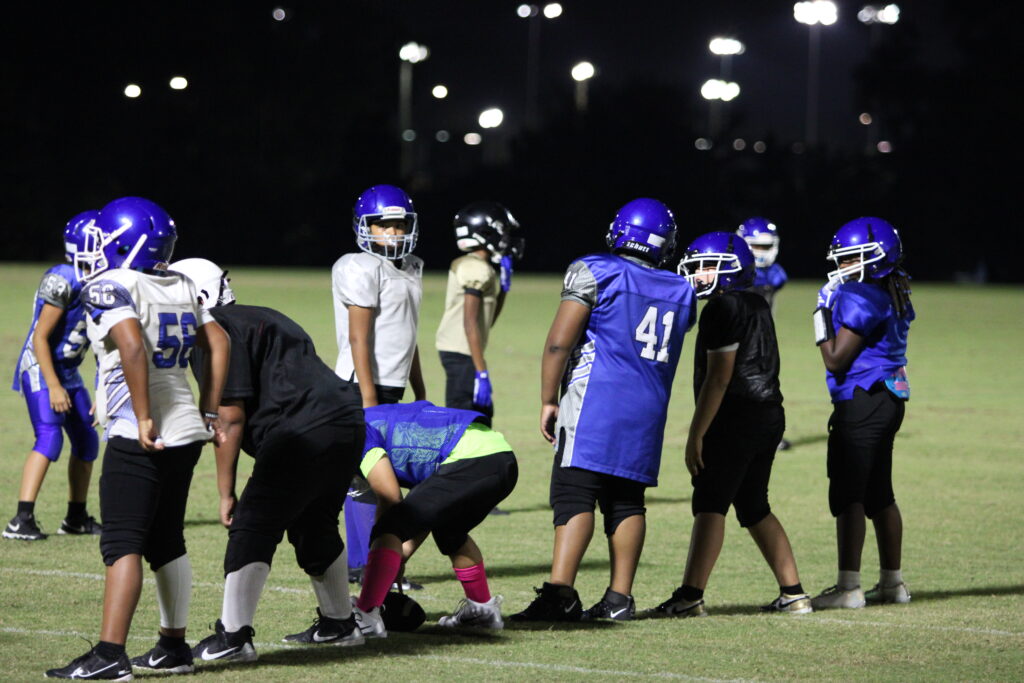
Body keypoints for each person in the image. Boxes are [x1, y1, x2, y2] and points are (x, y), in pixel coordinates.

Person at [45, 197, 230, 680]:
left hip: (141, 429)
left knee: (122, 542)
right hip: (186, 427)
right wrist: (209, 407)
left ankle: (110, 655)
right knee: (167, 538)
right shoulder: (180, 281)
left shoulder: (110, 285)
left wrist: (143, 415)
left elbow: (130, 344)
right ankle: (173, 646)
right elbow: (219, 342)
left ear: (122, 242)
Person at [171, 258, 367, 665]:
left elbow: (230, 416)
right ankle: (340, 623)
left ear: (197, 297)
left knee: (253, 525)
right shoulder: (266, 315)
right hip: (348, 421)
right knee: (314, 522)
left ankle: (233, 636)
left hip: (301, 431)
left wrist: (225, 491)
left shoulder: (213, 330)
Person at [512, 198, 696, 623]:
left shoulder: (598, 270)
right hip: (648, 410)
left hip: (595, 402)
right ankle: (619, 598)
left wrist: (548, 398)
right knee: (627, 501)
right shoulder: (681, 290)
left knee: (574, 493)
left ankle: (560, 594)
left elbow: (559, 343)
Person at [647, 232, 811, 618]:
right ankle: (794, 593)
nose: (699, 274)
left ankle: (690, 596)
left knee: (710, 503)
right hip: (769, 413)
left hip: (735, 415)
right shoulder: (756, 302)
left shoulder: (723, 307)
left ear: (731, 269)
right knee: (754, 506)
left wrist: (696, 433)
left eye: (708, 266)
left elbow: (719, 378)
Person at [810, 217, 914, 609]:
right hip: (887, 397)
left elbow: (835, 359)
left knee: (849, 494)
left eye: (853, 258)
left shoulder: (860, 294)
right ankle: (892, 583)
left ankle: (848, 587)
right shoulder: (894, 287)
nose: (844, 265)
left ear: (876, 257)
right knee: (879, 494)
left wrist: (821, 312)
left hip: (863, 397)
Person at [349, 401, 518, 636]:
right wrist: (399, 555)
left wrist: (387, 554)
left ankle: (365, 615)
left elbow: (390, 497)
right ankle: (482, 611)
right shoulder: (366, 419)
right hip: (500, 457)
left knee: (389, 527)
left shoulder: (354, 431)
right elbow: (424, 512)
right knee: (449, 530)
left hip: (471, 456)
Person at [332, 184, 426, 584]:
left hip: (391, 386)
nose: (392, 232)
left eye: (399, 225)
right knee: (375, 482)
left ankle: (364, 565)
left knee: (366, 480)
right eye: (383, 225)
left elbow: (408, 335)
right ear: (365, 226)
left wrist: (420, 388)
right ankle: (372, 565)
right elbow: (360, 338)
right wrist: (369, 399)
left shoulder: (411, 266)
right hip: (361, 385)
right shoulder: (360, 266)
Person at [5, 211, 101, 541]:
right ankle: (21, 519)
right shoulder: (65, 277)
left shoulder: (103, 281)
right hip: (40, 367)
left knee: (87, 440)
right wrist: (54, 385)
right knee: (49, 437)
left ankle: (76, 517)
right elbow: (40, 338)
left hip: (68, 372)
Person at [435, 201, 525, 419]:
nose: (505, 238)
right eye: (503, 231)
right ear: (486, 232)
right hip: (462, 353)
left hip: (464, 351)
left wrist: (503, 290)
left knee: (481, 415)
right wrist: (481, 370)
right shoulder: (475, 268)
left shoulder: (477, 266)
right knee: (464, 418)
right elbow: (470, 323)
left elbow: (486, 321)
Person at [738, 216, 792, 451]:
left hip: (763, 337)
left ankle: (766, 433)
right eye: (756, 245)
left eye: (765, 246)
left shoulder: (775, 274)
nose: (761, 251)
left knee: (765, 386)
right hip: (739, 336)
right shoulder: (737, 269)